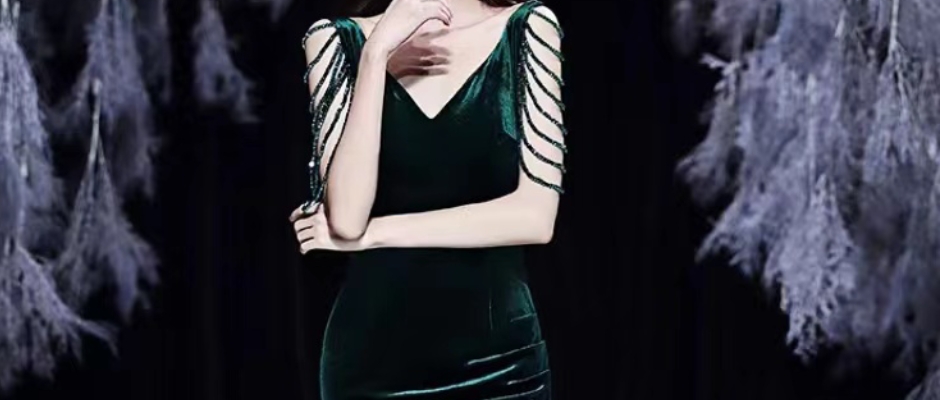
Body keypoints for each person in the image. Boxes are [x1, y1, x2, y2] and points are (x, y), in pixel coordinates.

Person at [289, 0, 566, 397]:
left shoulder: (527, 26)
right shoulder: (336, 39)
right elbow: (347, 220)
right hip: (372, 364)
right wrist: (375, 55)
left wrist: (376, 235)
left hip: (500, 362)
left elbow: (534, 218)